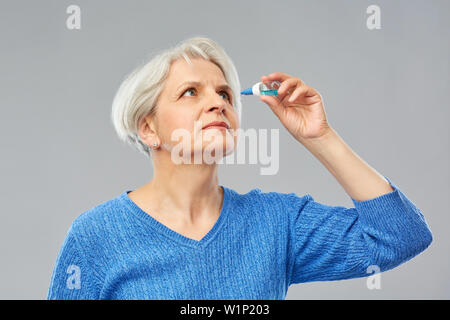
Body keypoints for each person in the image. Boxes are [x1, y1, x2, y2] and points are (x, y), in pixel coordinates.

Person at [47, 36, 432, 300]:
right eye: (190, 92)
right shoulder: (96, 237)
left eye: (225, 94)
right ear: (149, 128)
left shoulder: (276, 223)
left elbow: (399, 236)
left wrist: (319, 136)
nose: (218, 103)